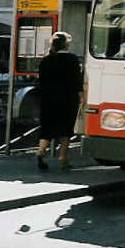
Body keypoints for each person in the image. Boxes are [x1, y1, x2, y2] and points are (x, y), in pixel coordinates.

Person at [36, 31, 83, 171]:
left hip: (48, 98)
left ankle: (41, 151)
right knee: (66, 128)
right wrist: (81, 96)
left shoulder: (45, 60)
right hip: (67, 97)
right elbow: (76, 80)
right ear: (66, 44)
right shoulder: (72, 59)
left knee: (47, 127)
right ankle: (63, 158)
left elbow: (41, 80)